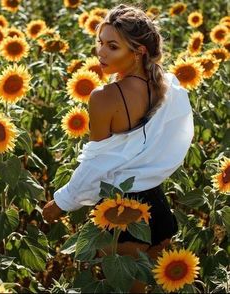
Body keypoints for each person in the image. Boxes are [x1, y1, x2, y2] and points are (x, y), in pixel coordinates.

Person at [42, 4, 194, 292]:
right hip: (157, 209)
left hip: (118, 211)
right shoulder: (169, 85)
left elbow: (97, 162)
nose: (101, 52)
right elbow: (178, 139)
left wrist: (63, 201)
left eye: (113, 46)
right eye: (100, 43)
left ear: (139, 51)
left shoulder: (105, 97)